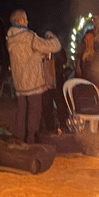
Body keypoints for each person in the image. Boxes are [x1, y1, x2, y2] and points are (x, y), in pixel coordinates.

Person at [6, 9, 62, 143]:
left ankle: (19, 137)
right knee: (34, 112)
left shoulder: (10, 39)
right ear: (20, 21)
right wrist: (51, 36)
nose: (27, 22)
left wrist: (37, 55)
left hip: (19, 83)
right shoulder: (29, 37)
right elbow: (54, 47)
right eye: (25, 19)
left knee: (21, 111)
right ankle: (31, 138)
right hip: (33, 81)